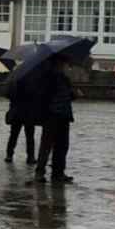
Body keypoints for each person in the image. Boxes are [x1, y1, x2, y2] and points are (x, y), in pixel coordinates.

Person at [35, 55, 76, 184]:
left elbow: (68, 95)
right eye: (64, 63)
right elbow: (44, 96)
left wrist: (73, 94)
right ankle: (42, 172)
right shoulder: (49, 78)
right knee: (48, 145)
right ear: (58, 63)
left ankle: (57, 172)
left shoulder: (63, 78)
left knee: (61, 145)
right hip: (52, 115)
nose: (66, 66)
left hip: (62, 115)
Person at [5, 70, 37, 165]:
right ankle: (30, 157)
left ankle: (9, 155)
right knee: (30, 136)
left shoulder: (14, 80)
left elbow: (8, 94)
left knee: (14, 135)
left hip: (17, 112)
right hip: (28, 112)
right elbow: (36, 96)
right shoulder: (33, 81)